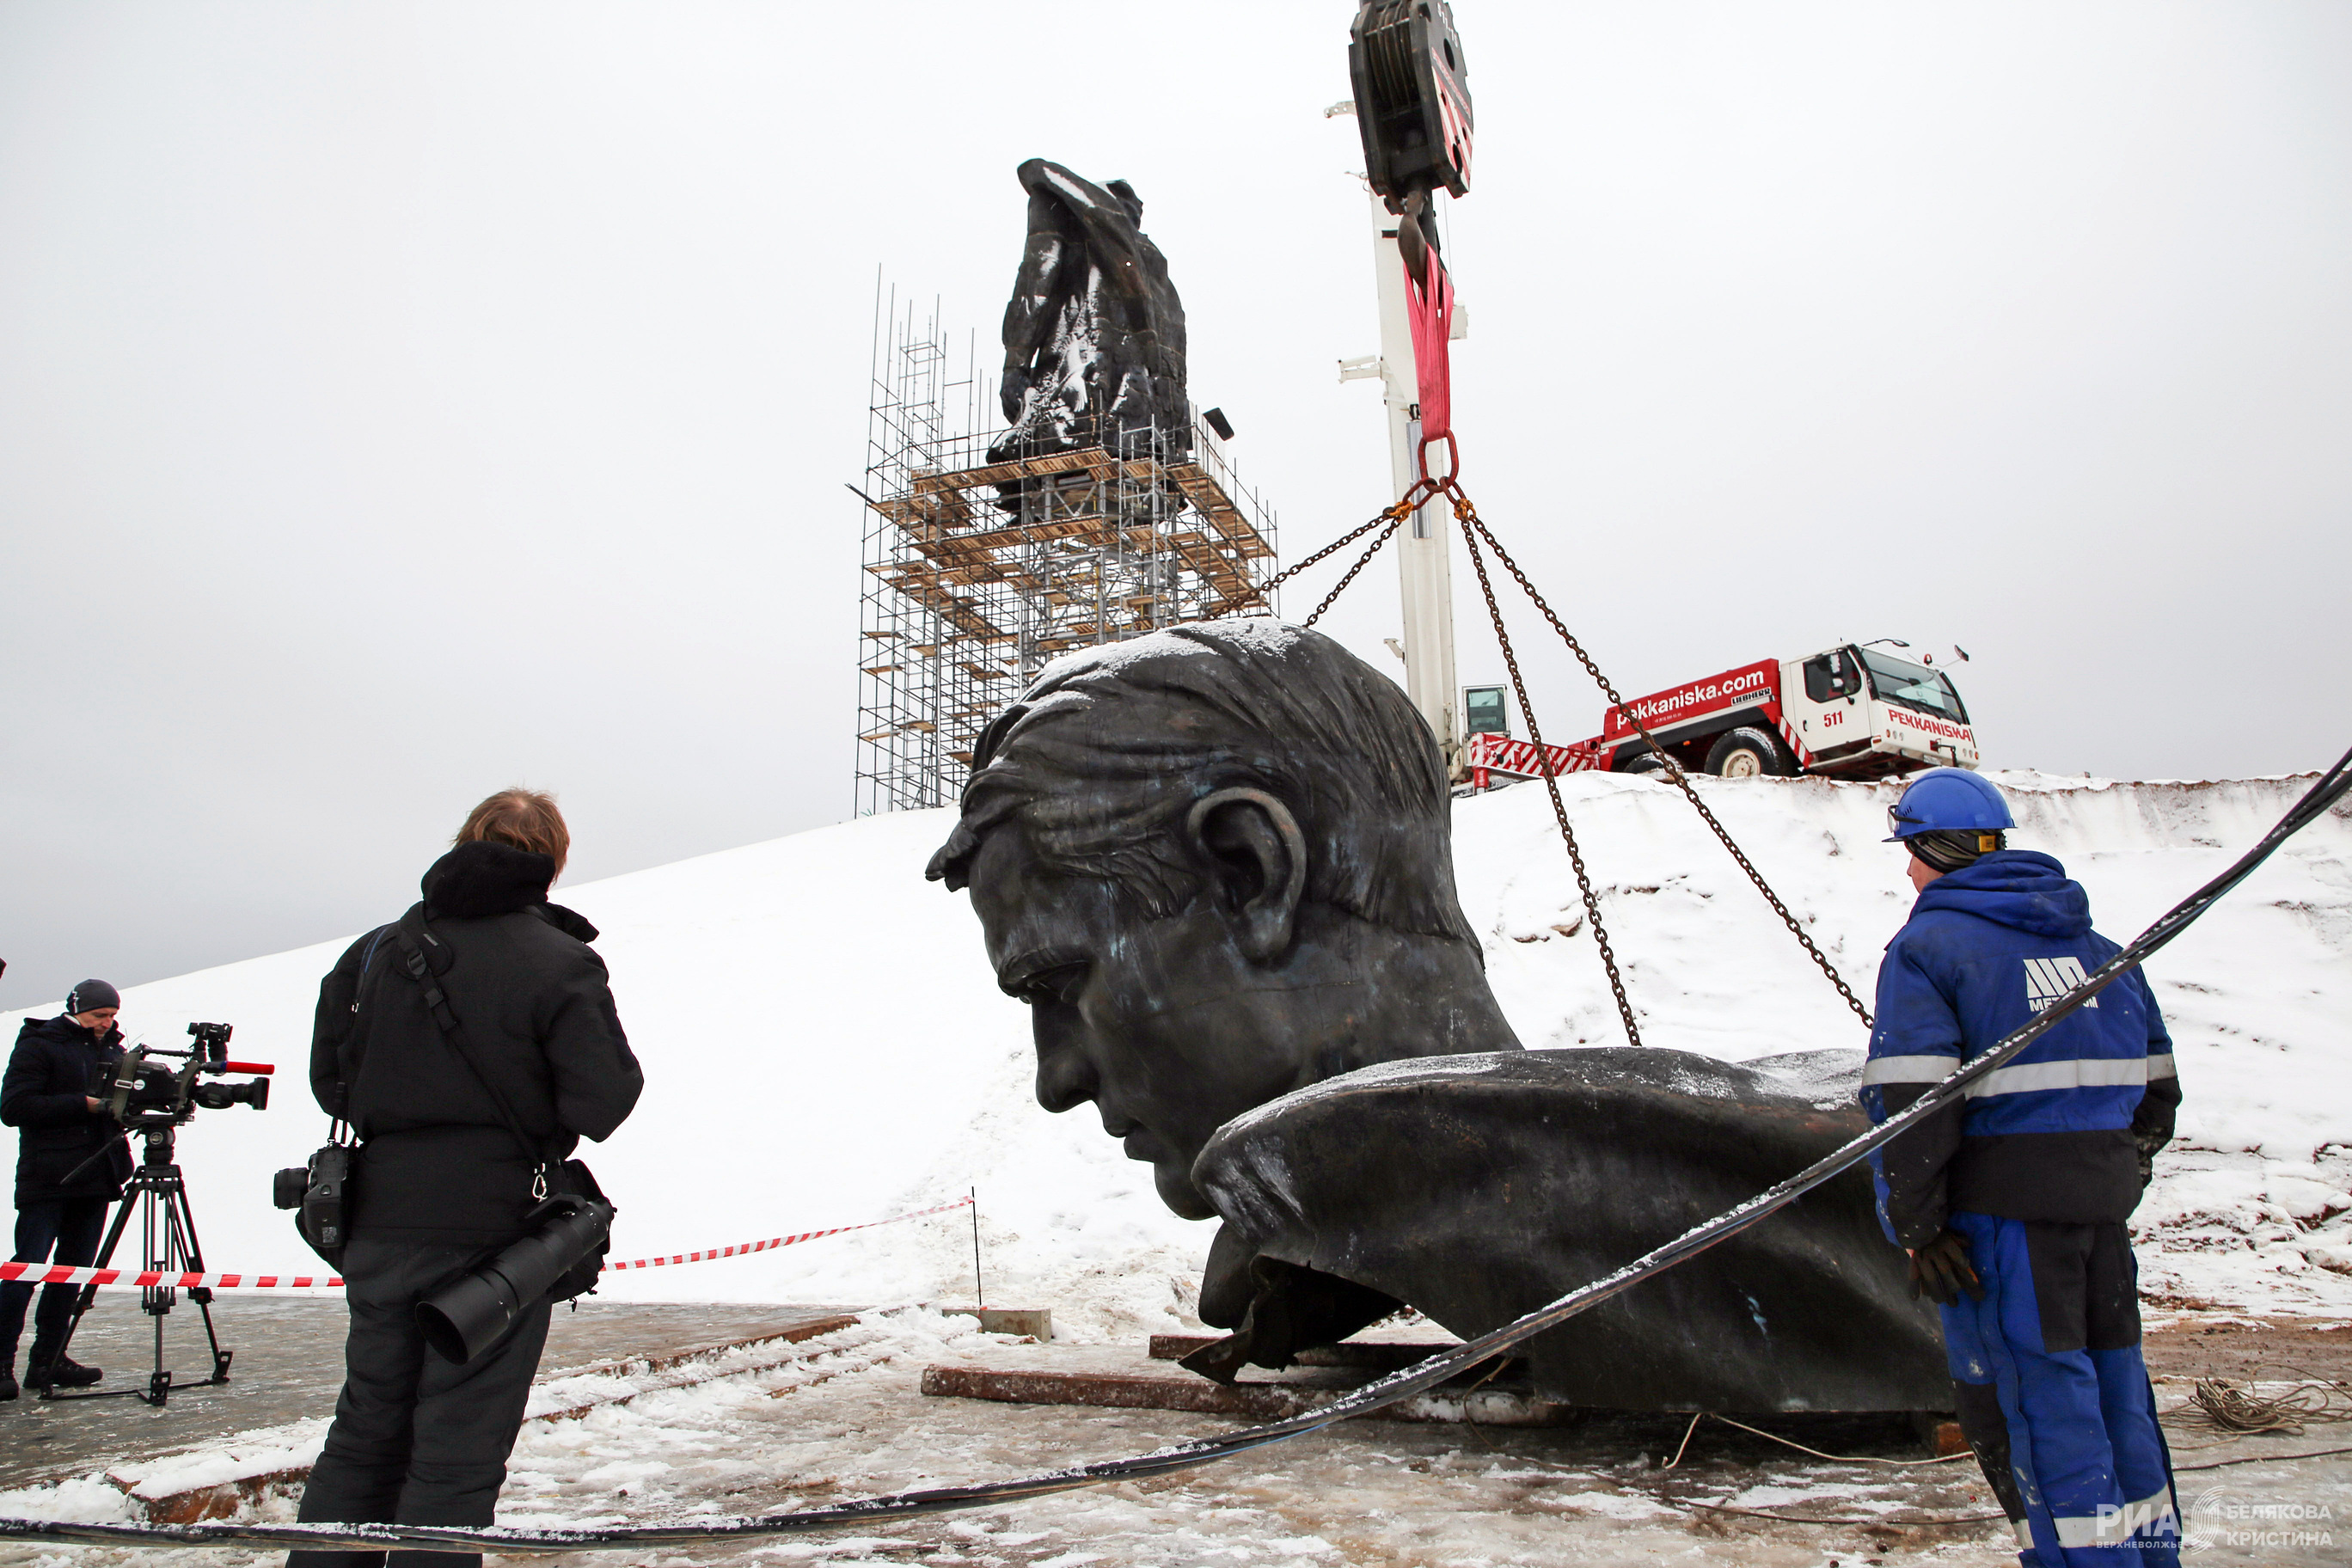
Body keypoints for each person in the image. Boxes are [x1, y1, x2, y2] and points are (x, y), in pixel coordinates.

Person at [928, 619, 1950, 1412]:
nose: (1054, 1080)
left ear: (1253, 871)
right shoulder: (1389, 1213)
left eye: (1061, 985)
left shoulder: (1726, 1195)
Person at [291, 790, 641, 1568]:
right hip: (494, 1236)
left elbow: (329, 1081)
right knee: (456, 1456)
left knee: (362, 1434)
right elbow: (605, 1098)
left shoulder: (376, 951)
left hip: (378, 1219)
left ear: (464, 841)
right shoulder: (558, 958)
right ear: (551, 861)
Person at [1861, 768, 2182, 1565]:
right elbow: (2159, 1097)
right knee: (2119, 1401)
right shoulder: (2101, 950)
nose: (1907, 870)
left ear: (1938, 848)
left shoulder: (1930, 948)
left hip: (2003, 1235)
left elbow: (1911, 1105)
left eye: (1911, 851)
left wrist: (1917, 1225)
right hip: (2101, 1225)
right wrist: (2105, 1179)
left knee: (2043, 1412)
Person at [0, 979, 133, 1399]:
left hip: (96, 1178)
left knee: (73, 1275)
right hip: (48, 1179)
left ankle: (48, 1361)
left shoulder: (115, 1049)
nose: (105, 1024)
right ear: (76, 1009)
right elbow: (14, 1107)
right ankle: (2, 1363)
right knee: (28, 1269)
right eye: (98, 1016)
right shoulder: (40, 1044)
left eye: (111, 1016)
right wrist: (83, 1103)